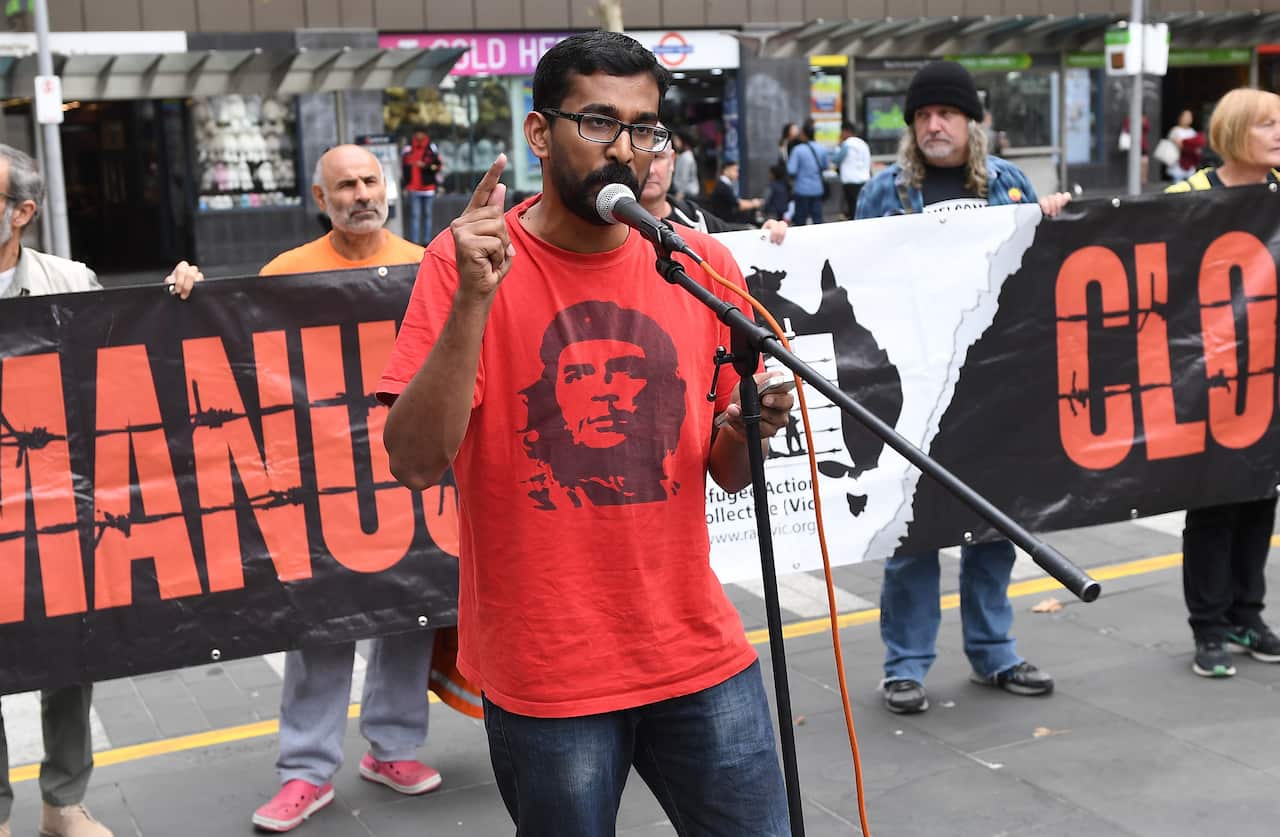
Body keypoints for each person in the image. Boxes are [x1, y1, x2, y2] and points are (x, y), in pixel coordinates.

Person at [378, 31, 794, 836]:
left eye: (644, 129)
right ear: (539, 133)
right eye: (599, 122)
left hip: (697, 651)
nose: (624, 150)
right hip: (550, 670)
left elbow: (727, 470)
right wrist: (473, 301)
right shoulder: (462, 265)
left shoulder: (700, 263)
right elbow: (415, 461)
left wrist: (750, 428)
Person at [855, 60, 1072, 716]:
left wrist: (1051, 221)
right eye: (922, 116)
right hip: (917, 390)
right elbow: (857, 278)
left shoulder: (1008, 184)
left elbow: (1035, 271)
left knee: (994, 530)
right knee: (913, 535)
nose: (933, 125)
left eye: (946, 113)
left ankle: (994, 652)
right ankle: (905, 666)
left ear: (971, 122)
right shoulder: (884, 191)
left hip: (993, 388)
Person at [240, 146, 441, 833]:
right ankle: (305, 770)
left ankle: (395, 747)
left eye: (369, 181)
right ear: (321, 200)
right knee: (320, 616)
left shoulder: (425, 265)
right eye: (345, 186)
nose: (361, 194)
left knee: (412, 607)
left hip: (407, 465)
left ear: (388, 186)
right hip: (318, 476)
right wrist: (189, 294)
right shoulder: (283, 274)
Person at [1166, 88, 1280, 678]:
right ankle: (1208, 627)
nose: (1279, 133)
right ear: (1235, 131)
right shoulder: (1185, 197)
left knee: (1260, 498)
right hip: (1207, 379)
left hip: (1270, 378)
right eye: (1267, 124)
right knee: (1213, 503)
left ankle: (1246, 615)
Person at [639, 131, 786, 243]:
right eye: (640, 158)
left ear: (671, 161)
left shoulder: (696, 219)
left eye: (657, 157)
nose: (650, 170)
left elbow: (731, 234)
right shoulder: (721, 187)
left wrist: (765, 232)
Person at [401, 130, 444, 245]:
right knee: (415, 215)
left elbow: (438, 166)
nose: (419, 136)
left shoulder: (431, 148)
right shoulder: (408, 149)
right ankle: (415, 242)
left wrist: (425, 166)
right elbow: (403, 168)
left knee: (427, 215)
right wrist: (405, 184)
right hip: (413, 188)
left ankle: (426, 241)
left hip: (428, 188)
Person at [786, 119, 829, 226]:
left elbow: (791, 170)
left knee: (800, 221)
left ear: (804, 134)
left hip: (801, 190)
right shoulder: (822, 148)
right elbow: (825, 166)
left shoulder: (797, 150)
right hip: (817, 189)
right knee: (817, 221)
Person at [831, 120, 870, 219]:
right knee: (861, 208)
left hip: (851, 181)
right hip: (864, 180)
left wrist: (838, 145)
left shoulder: (847, 144)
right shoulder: (863, 143)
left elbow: (836, 159)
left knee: (852, 210)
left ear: (846, 131)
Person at [707, 160, 762, 225]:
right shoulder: (723, 186)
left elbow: (736, 201)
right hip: (724, 222)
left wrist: (752, 202)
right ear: (726, 170)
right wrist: (753, 204)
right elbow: (738, 205)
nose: (737, 174)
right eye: (735, 170)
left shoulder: (724, 184)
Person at [1166, 109, 1205, 182]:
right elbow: (1180, 145)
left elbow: (1197, 148)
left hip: (1190, 165)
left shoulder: (1192, 131)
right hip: (1177, 165)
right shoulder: (1175, 130)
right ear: (1180, 117)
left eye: (1189, 116)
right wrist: (1190, 145)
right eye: (1186, 116)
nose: (1187, 118)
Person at [670, 131, 699, 199]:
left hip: (687, 194)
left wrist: (679, 194)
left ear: (683, 141)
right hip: (684, 192)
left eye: (677, 140)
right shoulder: (683, 155)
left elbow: (684, 178)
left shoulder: (686, 157)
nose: (675, 142)